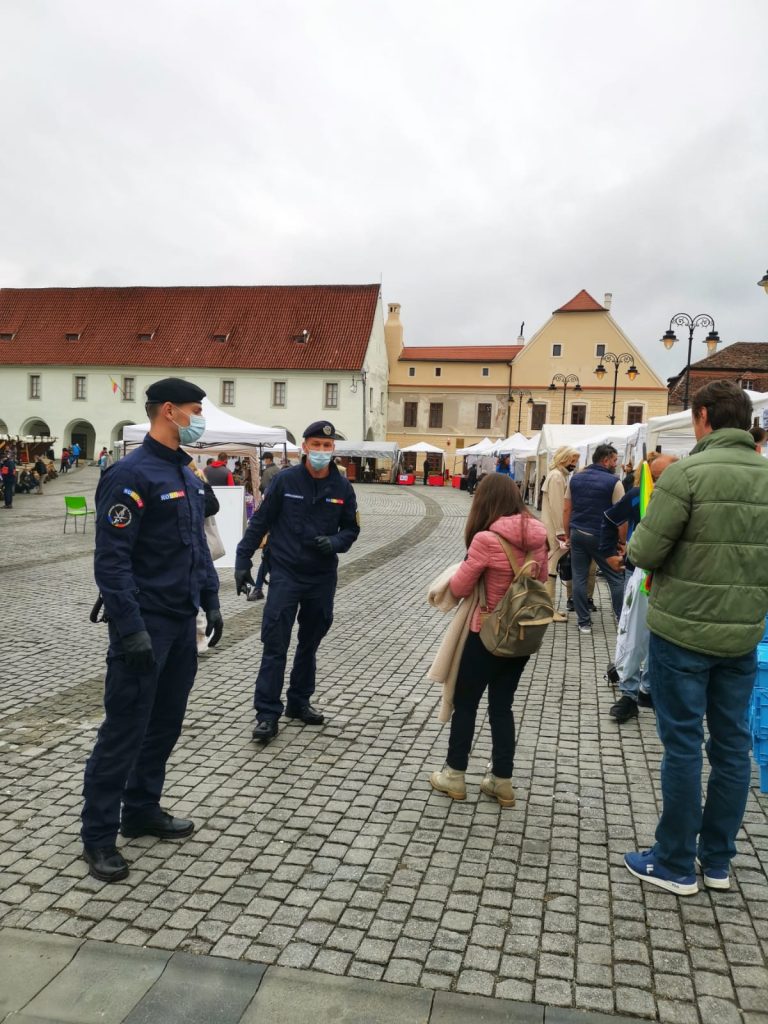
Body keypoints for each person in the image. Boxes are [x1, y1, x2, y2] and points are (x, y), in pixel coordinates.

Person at [624, 380, 768, 896]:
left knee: (683, 744)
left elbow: (644, 549)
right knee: (732, 746)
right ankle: (719, 861)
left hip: (682, 631)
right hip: (742, 636)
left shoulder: (686, 474)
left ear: (703, 417)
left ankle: (675, 862)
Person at [81, 377, 223, 884]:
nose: (199, 417)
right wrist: (131, 628)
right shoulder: (129, 474)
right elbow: (112, 562)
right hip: (144, 626)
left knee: (164, 724)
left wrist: (211, 601)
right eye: (194, 409)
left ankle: (140, 809)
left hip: (182, 623)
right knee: (123, 730)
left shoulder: (185, 473)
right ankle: (98, 837)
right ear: (169, 411)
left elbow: (197, 547)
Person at [235, 420, 359, 744]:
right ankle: (266, 714)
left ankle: (299, 701)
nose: (321, 451)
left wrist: (334, 543)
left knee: (310, 642)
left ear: (334, 450)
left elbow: (351, 530)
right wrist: (242, 559)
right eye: (315, 445)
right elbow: (260, 520)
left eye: (326, 446)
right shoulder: (285, 481)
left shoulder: (343, 488)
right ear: (304, 447)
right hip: (286, 574)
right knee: (275, 643)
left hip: (321, 577)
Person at [429, 474, 548, 807]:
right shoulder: (538, 537)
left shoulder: (486, 538)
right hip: (521, 636)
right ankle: (502, 781)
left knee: (466, 703)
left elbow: (461, 588)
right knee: (502, 706)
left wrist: (459, 572)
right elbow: (538, 579)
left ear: (485, 500)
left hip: (486, 633)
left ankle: (454, 775)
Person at [600, 454, 677, 724]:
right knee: (633, 636)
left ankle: (649, 688)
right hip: (639, 574)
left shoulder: (687, 497)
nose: (658, 481)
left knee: (661, 637)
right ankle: (628, 694)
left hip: (672, 578)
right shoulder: (637, 495)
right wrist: (608, 553)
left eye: (663, 475)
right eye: (654, 476)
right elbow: (610, 519)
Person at [563, 444, 626, 634]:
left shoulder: (575, 478)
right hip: (601, 537)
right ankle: (621, 617)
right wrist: (622, 542)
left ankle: (583, 622)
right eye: (615, 460)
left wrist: (567, 534)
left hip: (578, 533)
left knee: (579, 577)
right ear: (606, 460)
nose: (616, 464)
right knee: (616, 577)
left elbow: (567, 509)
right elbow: (621, 518)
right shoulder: (614, 482)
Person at [540, 446, 579, 622]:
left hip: (551, 527)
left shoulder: (558, 475)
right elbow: (558, 507)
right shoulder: (557, 477)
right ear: (564, 459)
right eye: (573, 460)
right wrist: (561, 532)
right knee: (551, 568)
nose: (575, 464)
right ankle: (548, 610)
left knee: (551, 567)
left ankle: (548, 608)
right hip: (553, 529)